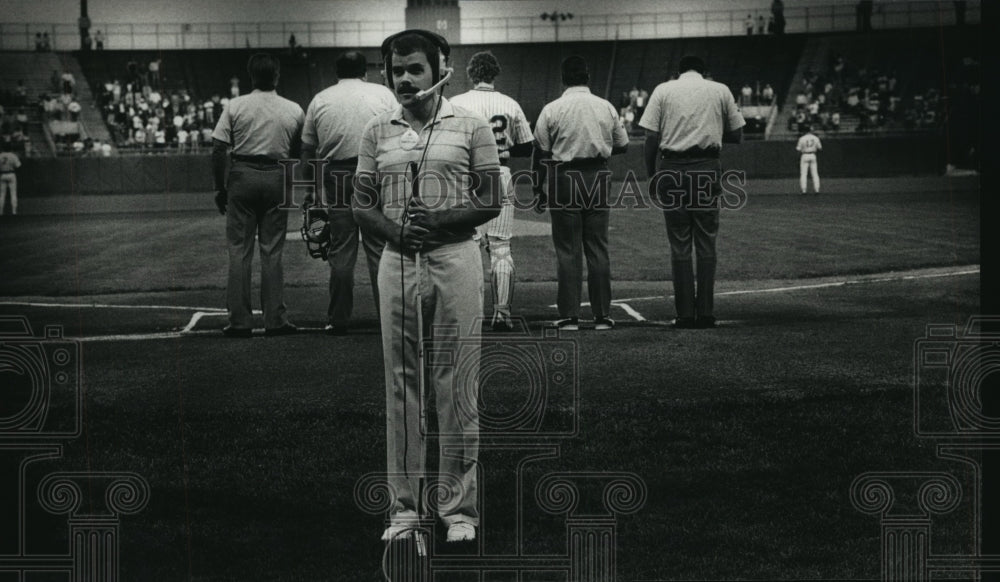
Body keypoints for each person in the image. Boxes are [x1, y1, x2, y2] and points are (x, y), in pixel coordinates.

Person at [353, 29, 500, 544]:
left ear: (443, 68)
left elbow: (491, 200)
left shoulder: (472, 126)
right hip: (396, 260)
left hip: (455, 256)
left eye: (416, 68)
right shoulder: (376, 130)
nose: (406, 79)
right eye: (397, 70)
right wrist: (396, 231)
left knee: (456, 383)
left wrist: (439, 222)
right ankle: (404, 509)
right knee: (401, 384)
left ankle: (458, 509)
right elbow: (361, 204)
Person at [639, 54, 744, 330]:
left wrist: (653, 175)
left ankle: (685, 313)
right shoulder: (719, 89)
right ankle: (706, 313)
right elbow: (738, 134)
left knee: (680, 243)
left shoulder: (663, 90)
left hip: (671, 167)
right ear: (704, 70)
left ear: (678, 71)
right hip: (707, 166)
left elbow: (650, 138)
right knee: (707, 241)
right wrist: (711, 128)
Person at [300, 50, 396, 335]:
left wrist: (309, 189)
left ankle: (338, 318)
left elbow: (307, 149)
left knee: (341, 249)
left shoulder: (321, 98)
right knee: (379, 247)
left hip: (337, 173)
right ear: (364, 70)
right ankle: (388, 318)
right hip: (375, 172)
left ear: (337, 72)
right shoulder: (382, 94)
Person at [532, 55, 629, 331]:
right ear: (587, 77)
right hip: (597, 175)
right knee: (597, 247)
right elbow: (622, 145)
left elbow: (541, 151)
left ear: (563, 78)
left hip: (564, 177)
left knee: (568, 249)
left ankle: (570, 316)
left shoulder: (552, 108)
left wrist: (539, 187)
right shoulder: (605, 106)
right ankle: (601, 315)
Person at [211, 53, 304, 337]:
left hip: (243, 174)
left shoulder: (236, 105)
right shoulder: (293, 109)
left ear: (251, 76)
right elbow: (297, 152)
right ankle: (275, 319)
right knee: (272, 251)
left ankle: (239, 321)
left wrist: (220, 187)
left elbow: (218, 148)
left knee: (239, 251)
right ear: (276, 76)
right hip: (277, 176)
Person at [450, 50, 534, 331]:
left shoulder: (456, 102)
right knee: (500, 248)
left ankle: (467, 313)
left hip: (467, 175)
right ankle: (502, 314)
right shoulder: (509, 103)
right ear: (495, 73)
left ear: (471, 73)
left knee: (468, 246)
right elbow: (526, 145)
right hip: (501, 171)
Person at [796, 126, 822, 194]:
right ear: (811, 130)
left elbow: (798, 150)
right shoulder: (816, 138)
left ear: (805, 131)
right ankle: (817, 190)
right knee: (815, 173)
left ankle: (804, 190)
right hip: (813, 154)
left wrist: (798, 159)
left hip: (804, 155)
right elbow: (820, 148)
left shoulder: (802, 138)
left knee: (803, 174)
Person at [0, 143, 21, 216]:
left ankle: (1, 212)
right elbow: (18, 166)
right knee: (13, 193)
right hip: (11, 174)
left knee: (2, 195)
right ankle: (14, 212)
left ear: (2, 148)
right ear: (10, 148)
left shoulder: (0, 155)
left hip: (2, 174)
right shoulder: (13, 155)